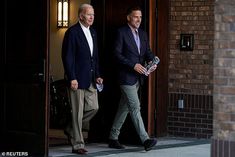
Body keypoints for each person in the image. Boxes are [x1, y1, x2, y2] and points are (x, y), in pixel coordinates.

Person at [108, 6, 158, 151]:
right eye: (136, 17)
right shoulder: (121, 32)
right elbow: (116, 55)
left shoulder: (143, 33)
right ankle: (145, 139)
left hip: (138, 78)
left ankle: (113, 137)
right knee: (135, 107)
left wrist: (153, 61)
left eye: (140, 17)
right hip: (125, 77)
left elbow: (147, 52)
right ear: (128, 17)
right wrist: (133, 65)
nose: (138, 20)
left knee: (124, 108)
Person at [62, 3, 103, 155]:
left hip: (91, 78)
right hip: (77, 79)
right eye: (88, 14)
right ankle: (78, 144)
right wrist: (72, 77)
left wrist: (98, 74)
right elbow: (68, 57)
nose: (92, 17)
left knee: (94, 107)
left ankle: (70, 128)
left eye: (93, 14)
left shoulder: (93, 32)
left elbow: (95, 57)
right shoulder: (72, 32)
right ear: (81, 16)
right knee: (77, 113)